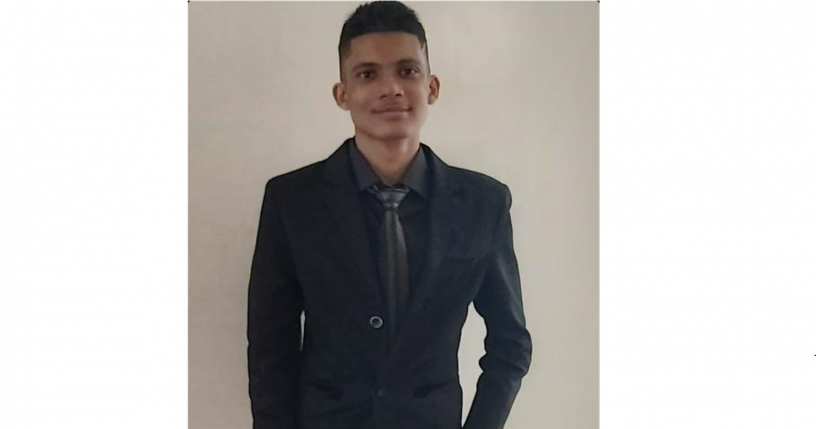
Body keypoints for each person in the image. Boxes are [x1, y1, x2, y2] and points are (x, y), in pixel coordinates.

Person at [247, 2, 532, 428]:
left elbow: (510, 344)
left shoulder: (483, 203)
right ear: (342, 94)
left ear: (431, 87)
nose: (391, 88)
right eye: (367, 74)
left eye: (407, 71)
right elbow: (271, 344)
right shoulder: (292, 200)